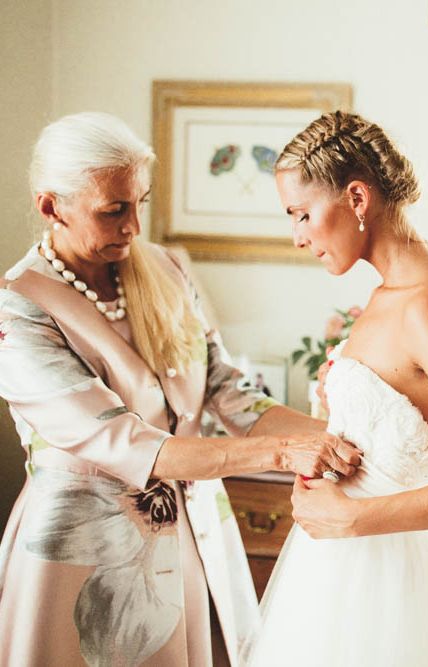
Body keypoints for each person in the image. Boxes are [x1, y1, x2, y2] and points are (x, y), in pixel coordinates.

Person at [0, 112, 362, 666]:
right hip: (80, 559)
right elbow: (126, 443)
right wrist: (283, 452)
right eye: (113, 210)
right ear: (51, 207)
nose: (133, 227)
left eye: (139, 202)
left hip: (191, 538)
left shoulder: (167, 270)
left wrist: (351, 435)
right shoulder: (19, 310)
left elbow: (228, 391)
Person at [245, 111, 428, 666]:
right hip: (334, 572)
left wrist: (351, 518)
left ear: (356, 198)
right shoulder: (390, 296)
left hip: (386, 577)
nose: (297, 237)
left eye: (303, 214)